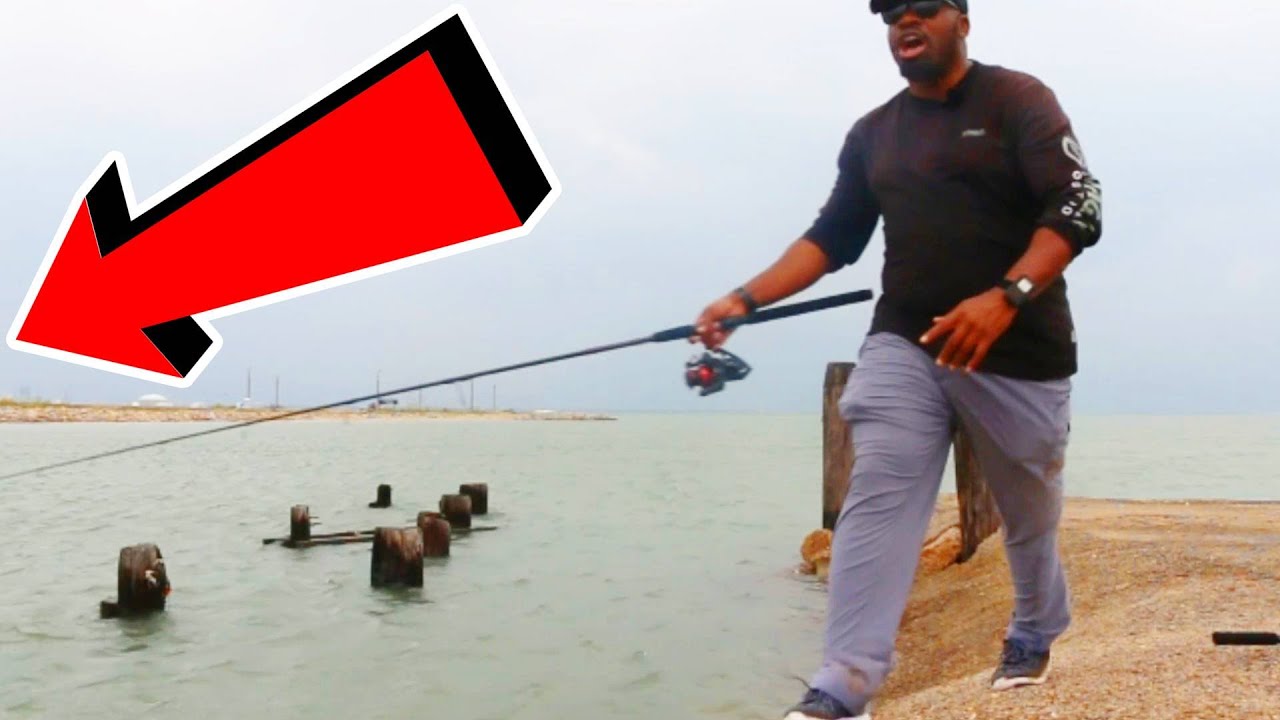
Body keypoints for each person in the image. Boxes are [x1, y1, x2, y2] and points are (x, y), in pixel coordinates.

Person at [690, 1, 1102, 718]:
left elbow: (1078, 209)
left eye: (924, 9)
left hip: (1020, 350)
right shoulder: (874, 134)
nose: (905, 23)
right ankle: (844, 683)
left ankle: (1036, 627)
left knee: (1027, 508)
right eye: (893, 14)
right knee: (878, 491)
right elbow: (831, 238)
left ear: (962, 21)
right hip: (904, 341)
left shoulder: (1018, 100)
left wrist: (1007, 296)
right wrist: (743, 298)